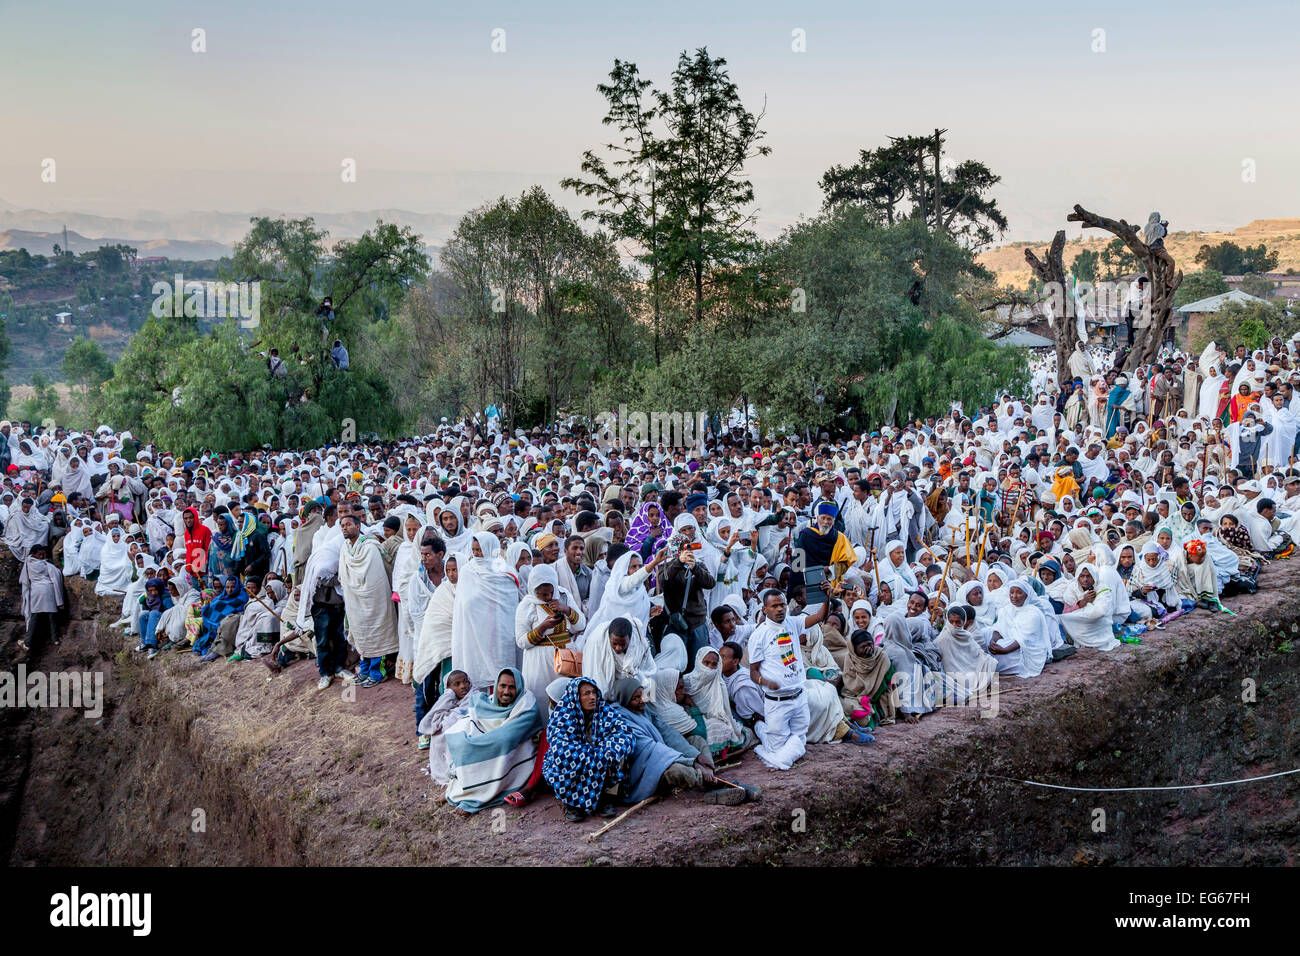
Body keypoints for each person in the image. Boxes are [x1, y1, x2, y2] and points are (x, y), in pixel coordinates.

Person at [746, 585, 829, 770]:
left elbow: (820, 617)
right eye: (774, 606)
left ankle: (774, 748)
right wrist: (766, 682)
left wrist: (827, 596)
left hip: (799, 697)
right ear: (764, 609)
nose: (780, 609)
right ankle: (761, 729)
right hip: (777, 702)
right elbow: (753, 672)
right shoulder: (758, 636)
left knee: (799, 740)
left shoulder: (793, 622)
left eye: (782, 604)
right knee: (784, 749)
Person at [443, 667, 544, 812]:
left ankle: (476, 796)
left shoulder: (527, 704)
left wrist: (481, 743)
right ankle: (461, 789)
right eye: (502, 686)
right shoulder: (488, 702)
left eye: (512, 687)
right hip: (492, 742)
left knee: (492, 747)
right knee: (460, 739)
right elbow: (473, 720)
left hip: (514, 752)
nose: (506, 692)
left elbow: (507, 736)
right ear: (496, 685)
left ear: (519, 688)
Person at [543, 676, 635, 822]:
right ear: (576, 696)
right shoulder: (562, 716)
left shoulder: (604, 711)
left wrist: (605, 752)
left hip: (599, 757)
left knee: (617, 754)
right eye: (586, 694)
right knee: (563, 757)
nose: (592, 697)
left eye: (594, 692)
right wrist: (591, 756)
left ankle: (605, 797)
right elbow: (560, 745)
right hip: (578, 759)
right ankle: (571, 803)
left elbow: (623, 733)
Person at [18, 542, 64, 654]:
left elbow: (24, 579)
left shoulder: (28, 563)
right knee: (52, 615)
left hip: (36, 592)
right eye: (40, 554)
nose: (42, 557)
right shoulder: (45, 565)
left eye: (43, 554)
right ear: (33, 554)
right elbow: (56, 573)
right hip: (48, 590)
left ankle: (27, 643)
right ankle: (56, 639)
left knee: (35, 617)